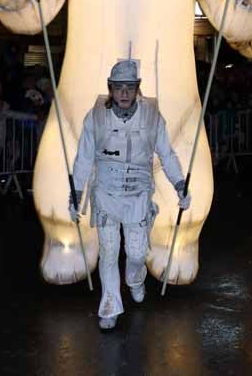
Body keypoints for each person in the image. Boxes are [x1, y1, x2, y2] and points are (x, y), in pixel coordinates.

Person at [70, 59, 190, 331]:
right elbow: (84, 158)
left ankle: (135, 279)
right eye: (118, 87)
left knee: (136, 254)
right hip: (106, 194)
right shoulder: (96, 117)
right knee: (109, 253)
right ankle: (110, 306)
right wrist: (75, 193)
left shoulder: (151, 117)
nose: (124, 93)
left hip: (137, 195)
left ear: (137, 89)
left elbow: (167, 154)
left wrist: (179, 184)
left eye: (130, 87)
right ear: (110, 89)